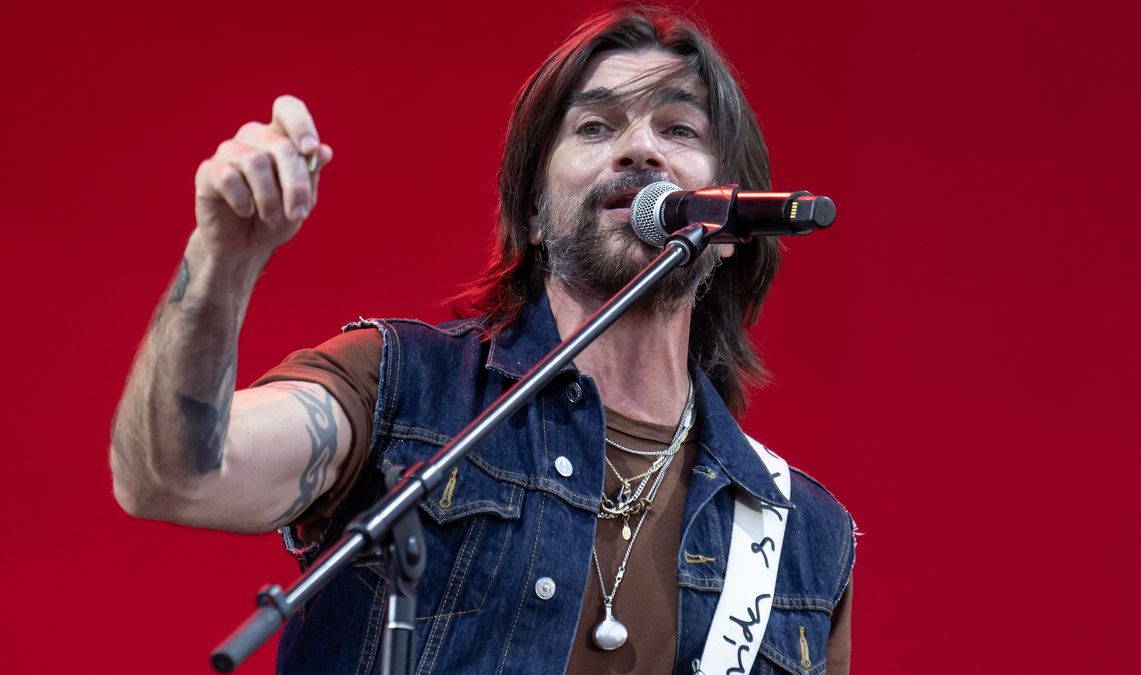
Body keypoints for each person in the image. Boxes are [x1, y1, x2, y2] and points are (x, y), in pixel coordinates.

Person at [110, 6, 855, 674]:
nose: (640, 150)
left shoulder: (800, 536)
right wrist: (221, 263)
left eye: (679, 129)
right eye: (595, 127)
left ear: (727, 228)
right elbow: (171, 476)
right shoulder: (405, 392)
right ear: (534, 211)